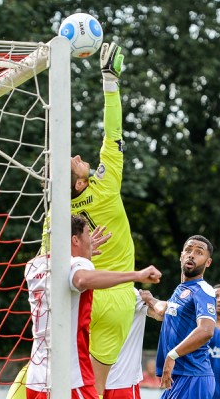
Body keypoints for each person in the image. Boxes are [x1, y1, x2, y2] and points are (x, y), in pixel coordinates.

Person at [40, 41, 136, 396]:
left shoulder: (55, 216)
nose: (79, 156)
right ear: (80, 181)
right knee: (95, 388)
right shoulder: (106, 184)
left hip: (77, 300)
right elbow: (114, 133)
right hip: (117, 296)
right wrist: (110, 82)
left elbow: (44, 262)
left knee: (59, 385)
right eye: (74, 162)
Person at [25, 214, 161, 399]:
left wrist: (81, 250)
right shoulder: (78, 265)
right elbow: (82, 279)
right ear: (75, 239)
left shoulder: (34, 265)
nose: (91, 239)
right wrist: (136, 275)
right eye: (88, 234)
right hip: (71, 379)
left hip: (37, 378)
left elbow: (64, 267)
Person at [144, 235, 217, 399]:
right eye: (189, 250)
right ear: (181, 255)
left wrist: (172, 355)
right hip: (179, 378)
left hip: (193, 378)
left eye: (199, 252)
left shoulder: (203, 289)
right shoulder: (181, 289)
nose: (192, 254)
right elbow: (165, 311)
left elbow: (206, 330)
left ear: (208, 262)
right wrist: (148, 299)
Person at [103, 288, 162, 399]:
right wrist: (150, 299)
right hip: (121, 382)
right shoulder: (131, 293)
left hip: (94, 381)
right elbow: (163, 313)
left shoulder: (90, 288)